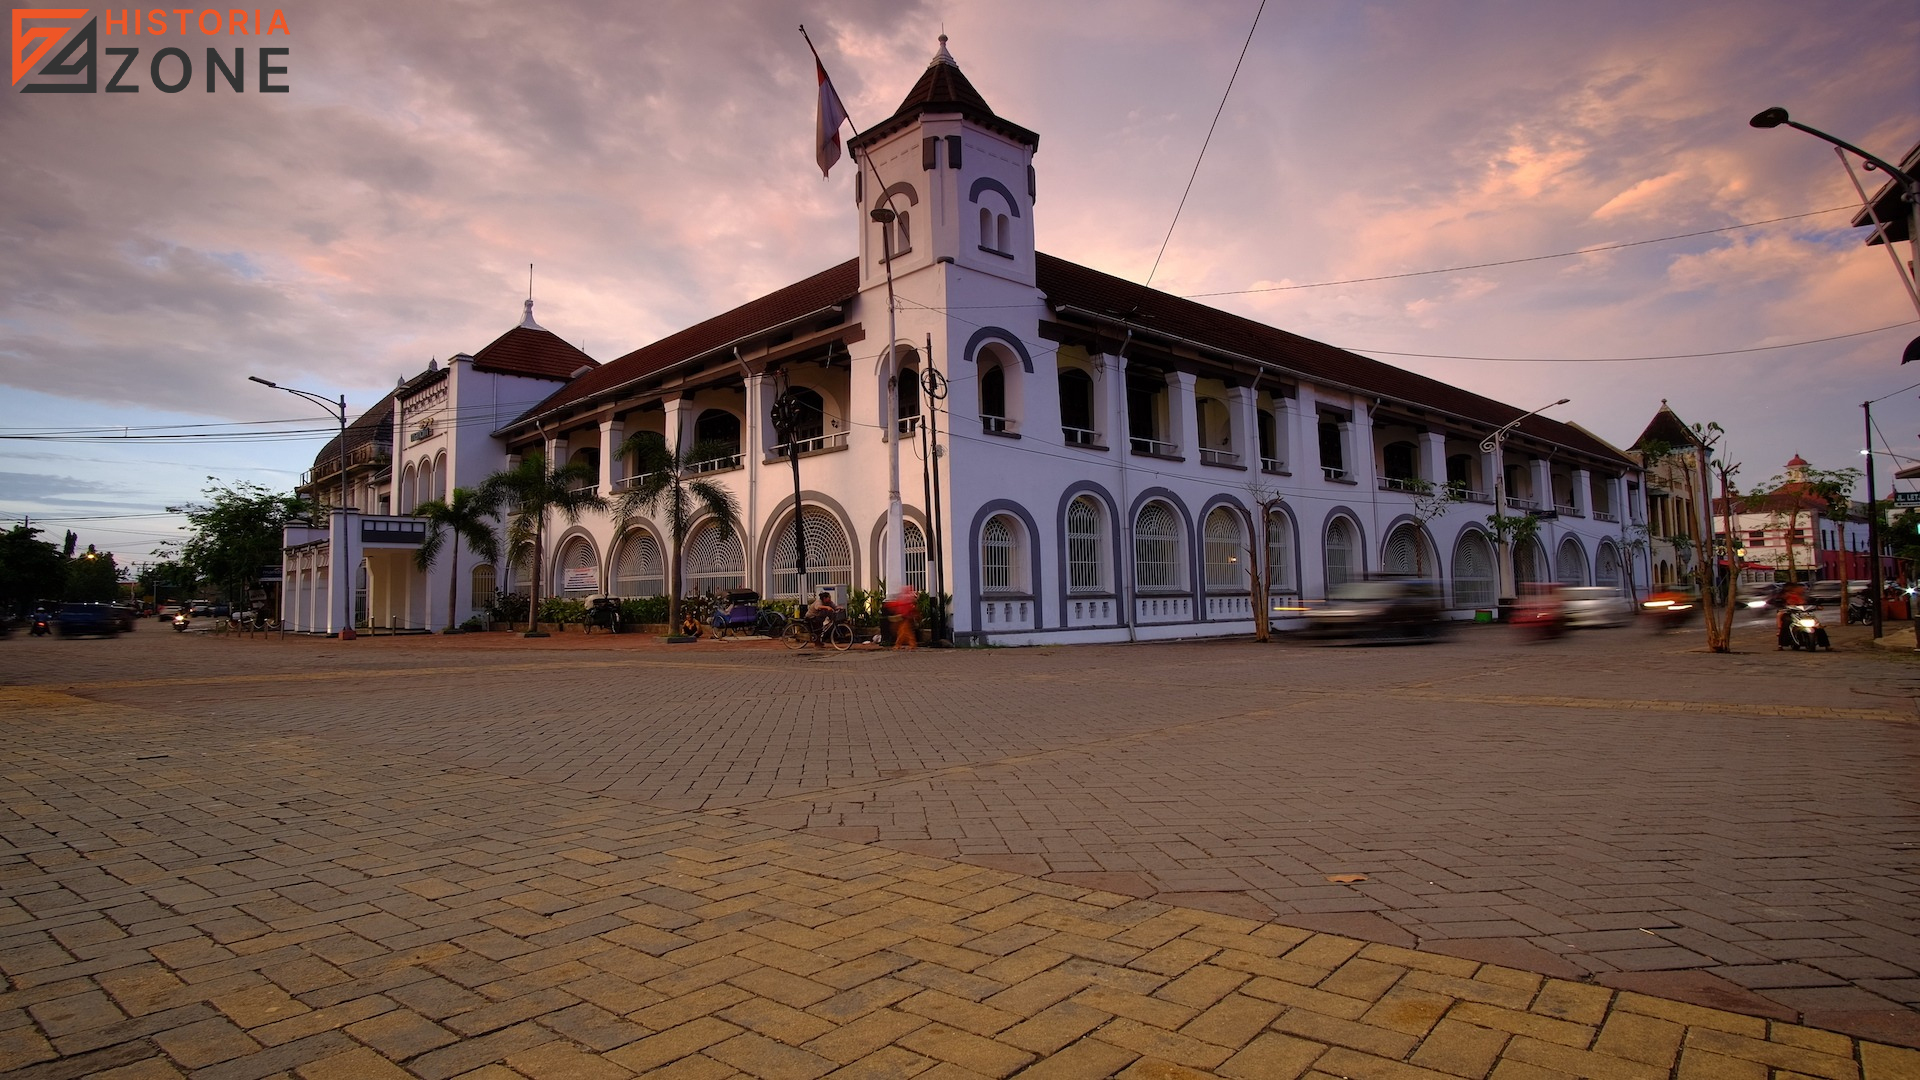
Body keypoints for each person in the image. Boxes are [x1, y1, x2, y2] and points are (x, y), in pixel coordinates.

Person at [885, 583, 919, 649]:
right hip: (904, 617)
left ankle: (899, 645)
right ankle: (911, 644)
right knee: (904, 631)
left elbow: (903, 606)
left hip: (905, 617)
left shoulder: (907, 597)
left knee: (903, 632)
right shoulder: (908, 598)